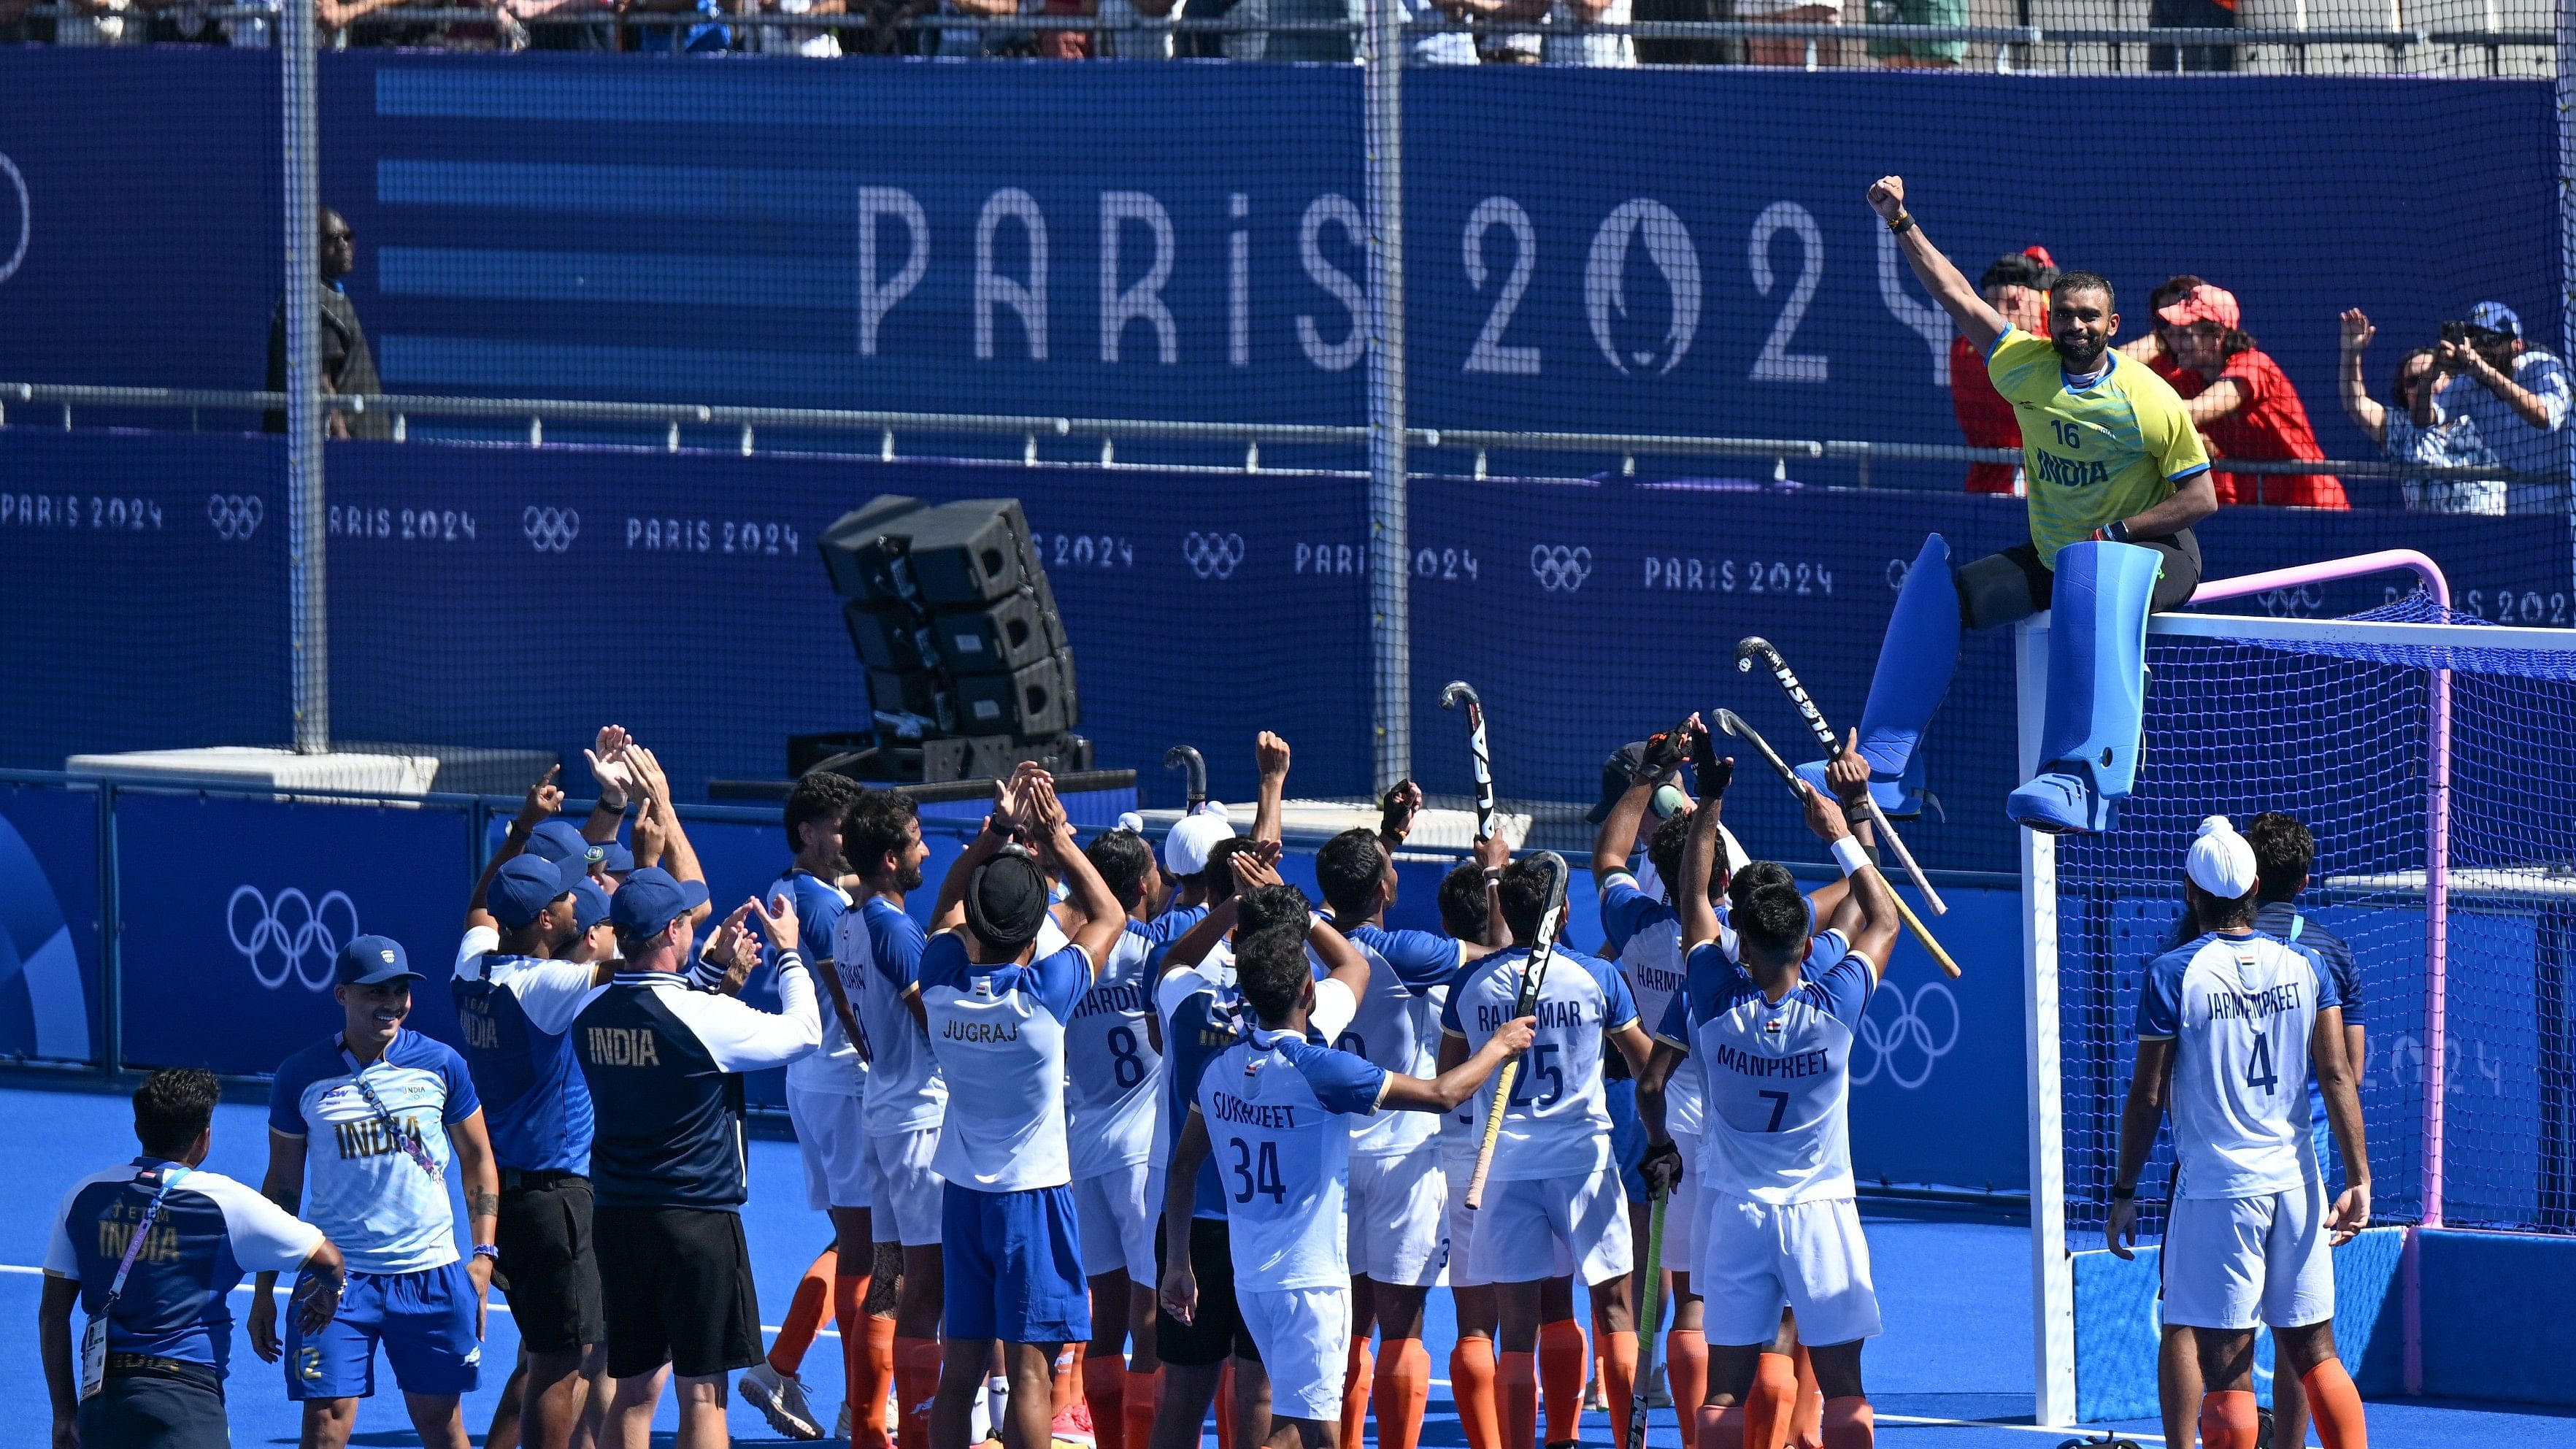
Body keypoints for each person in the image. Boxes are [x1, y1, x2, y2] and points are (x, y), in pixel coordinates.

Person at [1853, 174, 2217, 835]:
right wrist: (1899, 220)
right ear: (2049, 318)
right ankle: (1885, 768)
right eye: (2065, 314)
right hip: (2065, 554)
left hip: (2155, 554)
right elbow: (1953, 292)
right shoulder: (2024, 365)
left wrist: (2120, 530)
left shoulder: (2149, 399)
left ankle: (2081, 778)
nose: (2075, 325)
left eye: (2089, 317)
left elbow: (2201, 498)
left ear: (2111, 325)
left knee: (2087, 578)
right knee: (1938, 592)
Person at [1161, 918, 1539, 1449]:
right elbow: (1442, 1093)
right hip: (1310, 1286)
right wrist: (1499, 1045)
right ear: (1309, 990)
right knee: (1311, 1436)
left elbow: (1181, 1170)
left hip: (1252, 1281)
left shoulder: (1218, 1069)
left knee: (1296, 1427)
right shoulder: (1321, 1068)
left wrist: (1178, 1260)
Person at [1637, 737, 1904, 1449]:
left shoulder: (1713, 1004)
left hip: (1738, 1216)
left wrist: (1713, 795)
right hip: (1821, 1215)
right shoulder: (1834, 1004)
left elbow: (1694, 896)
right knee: (1845, 1385)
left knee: (1724, 1388)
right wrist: (1847, 824)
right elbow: (1880, 918)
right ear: (1804, 944)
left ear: (1743, 944)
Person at [530, 867, 820, 1449]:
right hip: (697, 1223)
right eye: (687, 921)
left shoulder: (585, 1011)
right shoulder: (706, 1017)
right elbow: (804, 1033)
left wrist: (709, 970)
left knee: (635, 1391)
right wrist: (790, 955)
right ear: (670, 932)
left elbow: (665, 1008)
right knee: (703, 1396)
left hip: (618, 1218)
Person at [2106, 817, 2372, 1449]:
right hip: (2298, 1184)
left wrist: (2123, 1189)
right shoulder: (2307, 965)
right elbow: (2337, 1075)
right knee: (2316, 1350)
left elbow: (2146, 1095)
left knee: (2226, 1364)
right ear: (2255, 884)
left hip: (2219, 1191)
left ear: (2190, 893)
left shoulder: (2173, 973)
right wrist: (2359, 1176)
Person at [915, 767, 1131, 1449]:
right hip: (1033, 1199)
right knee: (1031, 1378)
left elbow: (944, 907)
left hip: (963, 1197)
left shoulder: (941, 979)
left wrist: (998, 835)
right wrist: (1057, 838)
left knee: (960, 1374)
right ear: (1032, 931)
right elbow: (1111, 915)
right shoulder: (1043, 996)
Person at [1439, 855, 1657, 1449]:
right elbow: (1643, 1067)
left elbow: (1448, 1074)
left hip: (1505, 1163)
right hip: (1582, 1161)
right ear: (1562, 915)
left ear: (1504, 912)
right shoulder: (1596, 977)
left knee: (1516, 1327)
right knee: (1614, 1308)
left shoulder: (1471, 982)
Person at [253, 935, 501, 1449]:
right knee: (325, 1429)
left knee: (441, 1426)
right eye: (375, 992)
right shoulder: (299, 1075)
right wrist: (263, 1290)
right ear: (342, 994)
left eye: (400, 990)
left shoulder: (442, 1065)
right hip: (335, 1280)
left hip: (429, 1275)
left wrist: (482, 1256)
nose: (392, 1003)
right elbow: (281, 1187)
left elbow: (478, 1160)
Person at [42, 1068, 348, 1449]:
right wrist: (329, 1293)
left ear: (139, 1128)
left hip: (103, 1401)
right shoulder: (227, 1200)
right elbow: (330, 1260)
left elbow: (53, 1314)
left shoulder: (83, 1195)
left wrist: (64, 1414)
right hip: (187, 1402)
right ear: (204, 1138)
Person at [1312, 807, 1493, 1449]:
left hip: (1333, 1155)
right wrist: (1493, 876)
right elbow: (1500, 954)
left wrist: (1383, 841)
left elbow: (1345, 901)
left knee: (1350, 1325)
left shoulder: (1303, 946)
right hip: (1402, 1153)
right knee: (1402, 1328)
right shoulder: (1409, 953)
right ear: (1385, 889)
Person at [453, 769, 620, 1449]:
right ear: (547, 921)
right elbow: (630, 960)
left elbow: (479, 907)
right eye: (565, 899)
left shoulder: (475, 966)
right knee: (563, 1360)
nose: (576, 904)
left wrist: (521, 830)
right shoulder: (545, 986)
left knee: (541, 1349)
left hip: (511, 1192)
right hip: (554, 1196)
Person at [742, 772, 886, 1445]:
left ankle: (784, 1365)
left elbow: (851, 892)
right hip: (845, 1083)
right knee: (872, 1245)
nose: (849, 839)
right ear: (808, 832)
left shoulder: (798, 889)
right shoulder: (826, 909)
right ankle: (861, 1408)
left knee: (850, 1237)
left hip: (811, 1083)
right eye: (839, 827)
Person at [1064, 824, 1177, 1449]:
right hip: (1140, 1157)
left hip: (1087, 1152)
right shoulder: (1153, 949)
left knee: (1103, 1324)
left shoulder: (1071, 956)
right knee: (1151, 1322)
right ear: (1140, 884)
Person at [845, 787, 950, 1449]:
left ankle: (867, 1429)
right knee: (929, 1286)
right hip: (917, 1122)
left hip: (885, 1113)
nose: (927, 850)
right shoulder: (893, 928)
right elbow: (937, 1027)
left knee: (890, 1275)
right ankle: (916, 1434)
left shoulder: (850, 922)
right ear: (891, 857)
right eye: (916, 841)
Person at [2121, 280, 2345, 510]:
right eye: (2173, 333)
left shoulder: (2254, 366)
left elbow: (2197, 410)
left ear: (2217, 335)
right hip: (2256, 506)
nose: (2175, 343)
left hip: (2314, 504)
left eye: (2185, 334)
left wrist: (2121, 408)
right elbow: (2121, 371)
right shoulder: (2189, 379)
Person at [2337, 308, 2502, 515]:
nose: (2426, 385)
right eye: (2414, 381)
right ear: (2405, 392)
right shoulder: (2402, 428)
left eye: (2432, 374)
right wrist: (2351, 353)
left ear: (2449, 377)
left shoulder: (2485, 415)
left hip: (2489, 532)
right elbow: (2356, 403)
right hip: (2427, 534)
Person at [2424, 300, 2570, 515]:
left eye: (2491, 339)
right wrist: (2429, 374)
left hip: (2567, 489)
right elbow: (2422, 419)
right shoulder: (2470, 383)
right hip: (2521, 500)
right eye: (2474, 339)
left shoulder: (2544, 366)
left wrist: (2486, 373)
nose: (2481, 348)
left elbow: (2546, 417)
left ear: (2517, 346)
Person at [265, 208, 391, 440]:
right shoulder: (316, 303)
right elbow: (322, 384)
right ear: (312, 248)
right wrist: (344, 443)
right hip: (346, 455)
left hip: (368, 452)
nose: (344, 245)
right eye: (333, 240)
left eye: (347, 236)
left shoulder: (324, 294)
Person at [1950, 248, 2058, 496]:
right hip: (2028, 490)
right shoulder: (2034, 351)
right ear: (2021, 296)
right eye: (2040, 296)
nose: (2044, 304)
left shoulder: (1961, 349)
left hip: (1982, 487)